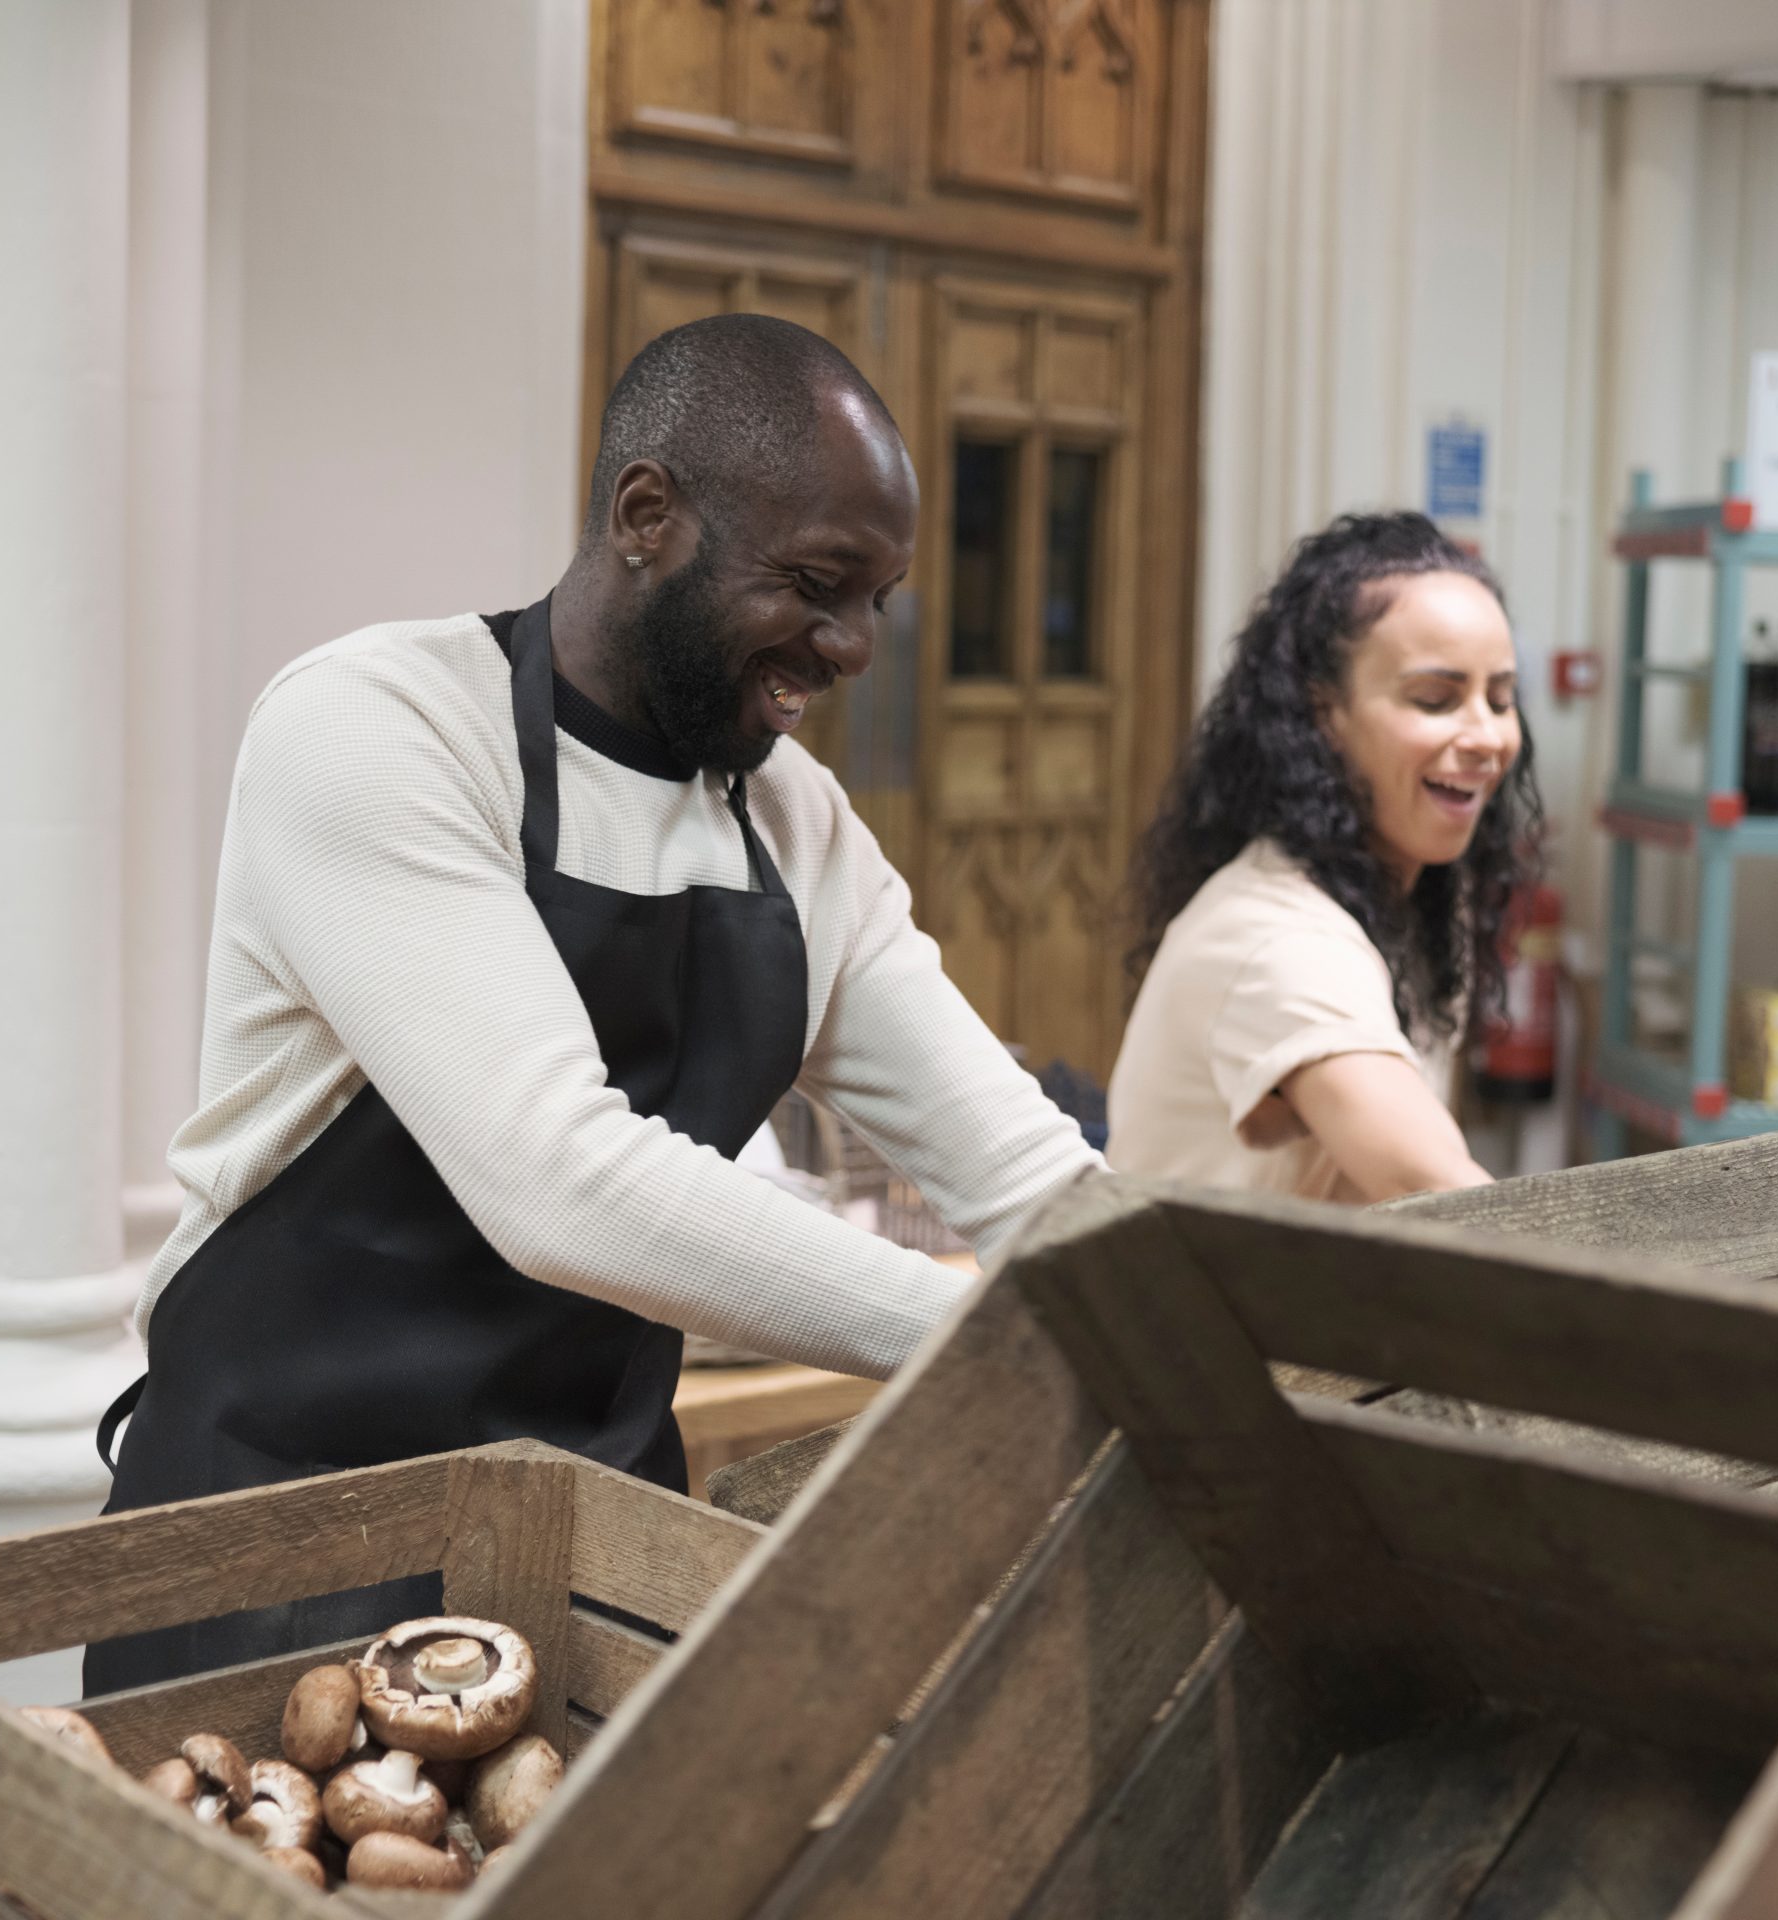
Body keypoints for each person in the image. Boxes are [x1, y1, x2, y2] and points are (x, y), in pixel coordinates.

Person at [86, 316, 1100, 1689]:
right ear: (646, 516)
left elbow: (1030, 1172)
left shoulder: (798, 832)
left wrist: (1193, 1324)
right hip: (274, 1549)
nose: (854, 645)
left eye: (880, 600)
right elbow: (559, 1175)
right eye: (816, 582)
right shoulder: (380, 727)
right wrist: (993, 1337)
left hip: (585, 1560)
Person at [1106, 513, 1541, 1203]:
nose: (1487, 736)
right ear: (1323, 716)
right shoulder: (1276, 940)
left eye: (1501, 698)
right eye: (1436, 698)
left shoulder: (1423, 902)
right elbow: (1441, 1191)